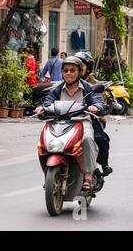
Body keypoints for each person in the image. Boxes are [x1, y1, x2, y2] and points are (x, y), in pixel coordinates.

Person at [35, 56, 107, 190]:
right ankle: (48, 174)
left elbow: (99, 102)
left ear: (80, 72)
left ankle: (88, 176)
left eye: (72, 70)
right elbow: (47, 102)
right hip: (59, 122)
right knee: (45, 141)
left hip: (81, 121)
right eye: (66, 70)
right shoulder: (56, 89)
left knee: (87, 139)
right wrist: (42, 108)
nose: (68, 73)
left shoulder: (89, 88)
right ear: (62, 73)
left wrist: (96, 107)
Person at [75, 51, 113, 176]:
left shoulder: (94, 84)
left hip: (92, 117)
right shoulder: (67, 82)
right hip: (70, 118)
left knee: (99, 137)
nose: (77, 68)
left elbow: (100, 102)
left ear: (87, 68)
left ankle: (102, 164)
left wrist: (95, 107)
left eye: (81, 65)